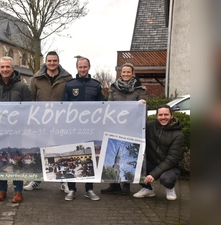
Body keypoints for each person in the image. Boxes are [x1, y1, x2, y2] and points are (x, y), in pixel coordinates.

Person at [24, 51, 73, 192]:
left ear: (58, 61)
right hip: (41, 122)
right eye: (49, 61)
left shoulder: (67, 78)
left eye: (54, 61)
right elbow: (31, 98)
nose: (52, 63)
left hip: (61, 121)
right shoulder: (36, 78)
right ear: (45, 61)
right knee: (40, 151)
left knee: (61, 151)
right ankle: (37, 179)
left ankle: (63, 181)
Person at [0, 56, 32, 203]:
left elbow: (28, 109)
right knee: (0, 160)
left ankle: (18, 190)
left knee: (17, 160)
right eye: (2, 67)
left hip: (16, 131)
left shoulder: (22, 87)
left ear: (13, 69)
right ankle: (2, 189)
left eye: (8, 67)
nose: (5, 69)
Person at [61, 57, 104, 201]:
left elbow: (102, 107)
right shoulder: (69, 85)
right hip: (73, 128)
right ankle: (72, 189)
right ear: (77, 68)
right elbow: (64, 106)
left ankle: (89, 189)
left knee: (89, 158)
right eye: (80, 67)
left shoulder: (96, 85)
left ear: (89, 67)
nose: (83, 69)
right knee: (71, 157)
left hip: (90, 128)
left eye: (85, 67)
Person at [101, 63, 147, 195]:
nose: (126, 74)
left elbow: (142, 109)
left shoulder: (140, 89)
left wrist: (141, 104)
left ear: (133, 73)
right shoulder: (113, 88)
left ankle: (125, 184)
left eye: (128, 72)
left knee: (127, 154)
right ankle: (113, 184)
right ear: (120, 73)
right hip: (115, 126)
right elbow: (109, 107)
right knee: (113, 154)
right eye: (124, 72)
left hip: (131, 128)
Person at [133, 105, 184, 201]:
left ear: (171, 116)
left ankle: (169, 188)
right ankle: (147, 189)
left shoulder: (178, 135)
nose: (163, 117)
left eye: (166, 114)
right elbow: (134, 122)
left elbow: (172, 159)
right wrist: (140, 105)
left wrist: (153, 174)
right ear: (156, 116)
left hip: (169, 167)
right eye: (160, 115)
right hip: (151, 162)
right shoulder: (148, 126)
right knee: (131, 168)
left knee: (167, 179)